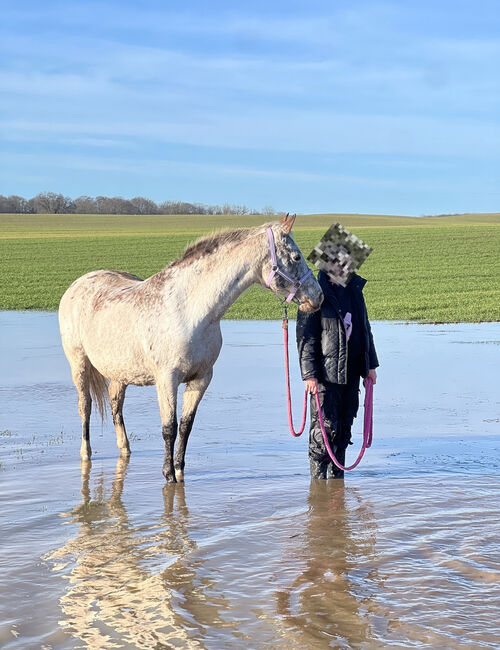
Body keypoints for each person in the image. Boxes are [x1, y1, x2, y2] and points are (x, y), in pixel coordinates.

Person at [296, 269, 379, 479]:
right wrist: (309, 375)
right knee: (324, 426)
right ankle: (317, 480)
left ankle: (336, 481)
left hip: (351, 370)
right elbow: (306, 337)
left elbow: (365, 329)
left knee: (344, 424)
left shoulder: (355, 291)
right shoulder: (314, 292)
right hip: (325, 374)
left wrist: (371, 367)